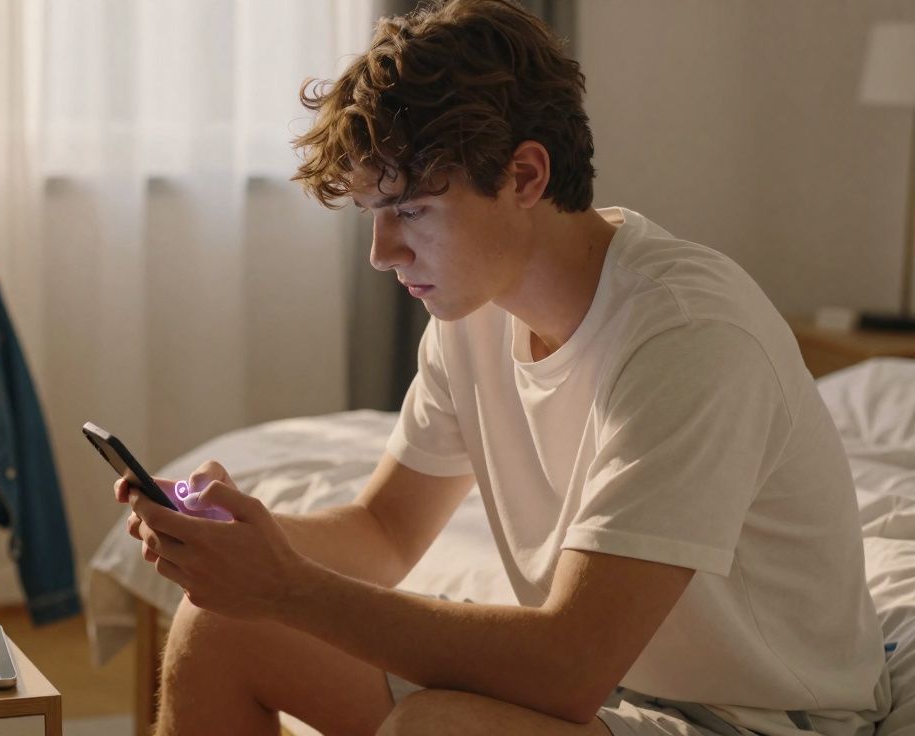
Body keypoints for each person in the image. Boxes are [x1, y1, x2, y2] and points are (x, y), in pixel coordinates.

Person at [115, 1, 891, 734]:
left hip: (758, 719)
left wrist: (288, 587)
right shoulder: (473, 315)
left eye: (411, 211)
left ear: (525, 176)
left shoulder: (688, 335)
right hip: (617, 696)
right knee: (220, 625)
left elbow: (568, 666)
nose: (383, 254)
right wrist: (241, 544)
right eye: (373, 217)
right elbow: (385, 532)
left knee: (438, 728)